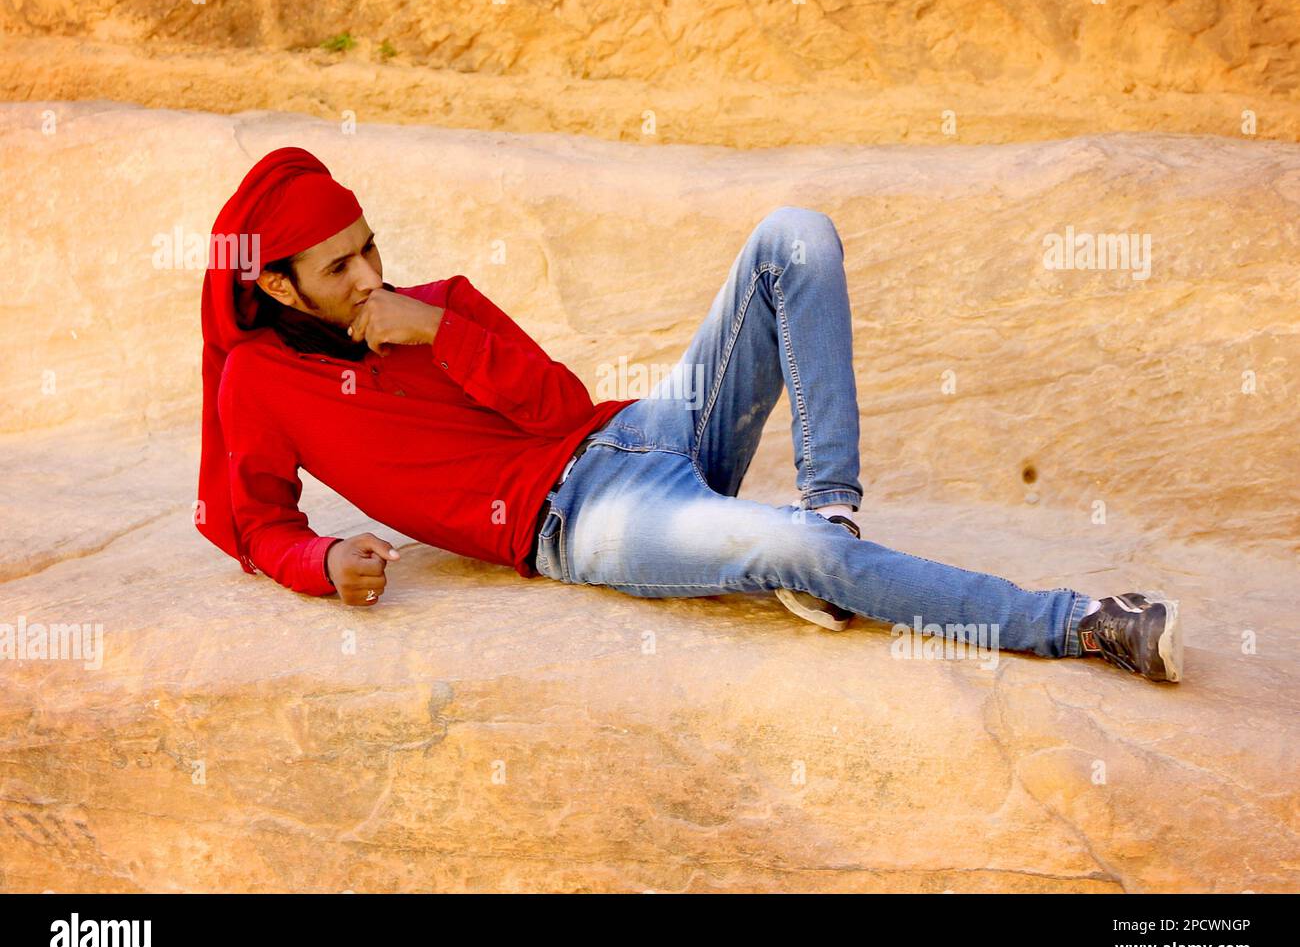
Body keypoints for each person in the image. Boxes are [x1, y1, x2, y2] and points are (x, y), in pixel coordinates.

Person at [197, 148, 1183, 684]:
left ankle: (830, 510)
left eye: (372, 246)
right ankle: (1087, 626)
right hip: (583, 525)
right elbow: (256, 522)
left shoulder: (433, 302)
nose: (371, 274)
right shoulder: (260, 385)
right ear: (279, 289)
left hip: (644, 432)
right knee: (796, 559)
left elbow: (558, 407)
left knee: (790, 238)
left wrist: (437, 332)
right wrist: (319, 565)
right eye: (340, 268)